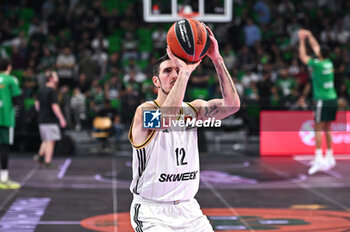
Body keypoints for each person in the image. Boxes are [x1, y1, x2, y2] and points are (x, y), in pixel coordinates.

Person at [128, 25, 240, 231]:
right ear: (156, 81)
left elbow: (232, 105)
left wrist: (217, 59)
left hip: (189, 210)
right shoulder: (144, 112)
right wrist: (186, 72)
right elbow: (167, 118)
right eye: (168, 71)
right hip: (152, 211)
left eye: (177, 70)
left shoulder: (194, 110)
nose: (175, 74)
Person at [298, 29, 338, 175]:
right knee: (327, 128)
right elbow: (316, 47)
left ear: (320, 53)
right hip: (333, 98)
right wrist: (310, 34)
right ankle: (330, 155)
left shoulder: (318, 64)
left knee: (318, 128)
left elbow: (303, 56)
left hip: (322, 100)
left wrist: (302, 39)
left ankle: (319, 157)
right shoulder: (328, 63)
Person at [34, 71, 66, 168]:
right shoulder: (52, 91)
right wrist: (61, 118)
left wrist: (42, 112)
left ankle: (40, 156)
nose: (58, 77)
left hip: (42, 119)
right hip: (50, 120)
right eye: (56, 76)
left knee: (46, 139)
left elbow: (37, 106)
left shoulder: (41, 90)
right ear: (51, 79)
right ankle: (47, 162)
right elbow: (55, 106)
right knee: (51, 140)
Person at [0, 58, 22, 189]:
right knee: (4, 147)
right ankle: (3, 178)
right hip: (5, 119)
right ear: (9, 67)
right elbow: (18, 99)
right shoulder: (11, 80)